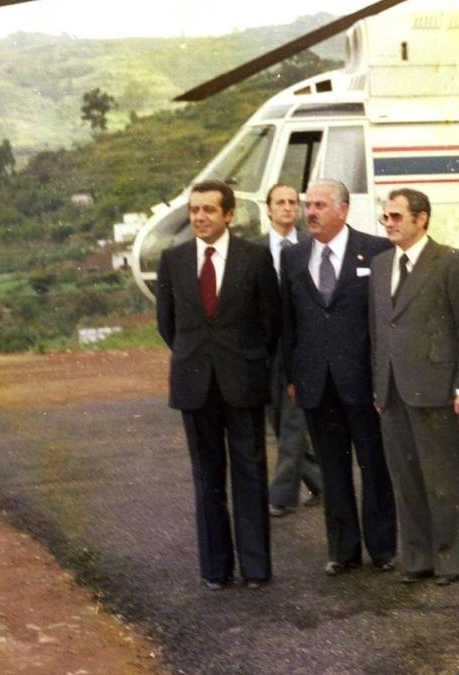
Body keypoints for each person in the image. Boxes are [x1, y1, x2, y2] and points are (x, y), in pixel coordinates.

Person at [155, 180, 280, 590]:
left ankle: (256, 568)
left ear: (228, 214)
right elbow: (168, 324)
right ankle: (215, 569)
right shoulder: (173, 260)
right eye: (194, 210)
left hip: (243, 381)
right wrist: (197, 357)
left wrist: (244, 357)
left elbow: (271, 321)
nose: (200, 217)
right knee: (206, 477)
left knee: (250, 473)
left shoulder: (255, 258)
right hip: (194, 384)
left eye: (208, 209)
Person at [280, 178, 397, 576]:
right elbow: (288, 323)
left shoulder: (376, 250)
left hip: (362, 382)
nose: (310, 212)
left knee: (374, 466)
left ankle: (383, 548)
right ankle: (342, 550)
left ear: (343, 210)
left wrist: (383, 378)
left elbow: (384, 320)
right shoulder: (293, 257)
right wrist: (292, 376)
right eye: (308, 205)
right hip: (316, 383)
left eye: (319, 205)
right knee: (332, 470)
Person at [370, 188, 459, 587]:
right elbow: (379, 331)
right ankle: (417, 558)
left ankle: (449, 559)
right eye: (386, 217)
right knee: (405, 479)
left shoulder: (450, 261)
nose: (389, 223)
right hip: (392, 392)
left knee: (441, 478)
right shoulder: (381, 265)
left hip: (434, 387)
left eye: (397, 216)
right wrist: (378, 388)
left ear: (421, 219)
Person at [261, 183, 323, 517]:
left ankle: (282, 495)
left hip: (300, 348)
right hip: (266, 352)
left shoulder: (313, 246)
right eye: (280, 202)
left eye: (292, 202)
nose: (287, 207)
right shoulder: (254, 250)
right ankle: (323, 482)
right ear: (268, 209)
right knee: (278, 420)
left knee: (293, 422)